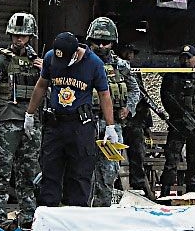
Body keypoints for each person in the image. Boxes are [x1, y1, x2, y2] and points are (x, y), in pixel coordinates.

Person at [26, 32, 118, 207]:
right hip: (55, 124)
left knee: (79, 174)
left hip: (80, 125)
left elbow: (104, 94)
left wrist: (110, 126)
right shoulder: (51, 57)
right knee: (50, 172)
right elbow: (41, 85)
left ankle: (76, 220)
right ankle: (49, 219)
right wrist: (29, 114)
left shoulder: (94, 63)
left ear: (76, 52)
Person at [0, 13, 43, 227]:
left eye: (23, 36)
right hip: (7, 123)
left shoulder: (38, 61)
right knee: (1, 172)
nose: (19, 40)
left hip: (31, 124)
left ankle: (27, 217)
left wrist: (46, 72)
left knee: (28, 173)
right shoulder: (1, 59)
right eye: (16, 35)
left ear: (30, 37)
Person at [87, 17, 139, 207]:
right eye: (96, 42)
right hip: (88, 124)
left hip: (113, 126)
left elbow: (135, 90)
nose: (101, 46)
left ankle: (103, 209)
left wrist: (128, 108)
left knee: (110, 171)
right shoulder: (81, 63)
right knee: (86, 171)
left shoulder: (121, 66)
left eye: (105, 42)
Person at [159, 45, 195, 198]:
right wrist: (177, 114)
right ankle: (165, 193)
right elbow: (166, 97)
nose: (186, 61)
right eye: (183, 57)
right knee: (172, 160)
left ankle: (193, 193)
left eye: (189, 58)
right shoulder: (172, 75)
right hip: (178, 124)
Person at [118, 44, 156, 200]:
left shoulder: (134, 72)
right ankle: (117, 188)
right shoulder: (117, 68)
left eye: (132, 53)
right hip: (119, 120)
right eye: (128, 52)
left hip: (135, 122)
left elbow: (142, 98)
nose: (130, 55)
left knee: (137, 157)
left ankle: (139, 189)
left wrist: (147, 125)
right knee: (115, 158)